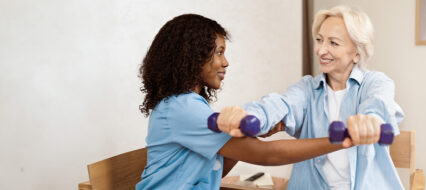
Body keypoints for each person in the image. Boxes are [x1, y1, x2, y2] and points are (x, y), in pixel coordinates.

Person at [135, 13, 379, 190]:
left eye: (333, 43)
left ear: (356, 54)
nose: (225, 62)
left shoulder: (185, 105)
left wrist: (251, 132)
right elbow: (268, 156)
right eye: (219, 52)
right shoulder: (183, 108)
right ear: (192, 56)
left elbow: (218, 162)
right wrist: (341, 139)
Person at [216, 6, 405, 190]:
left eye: (333, 43)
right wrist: (247, 115)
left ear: (356, 53)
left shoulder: (375, 83)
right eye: (319, 40)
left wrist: (369, 121)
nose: (321, 50)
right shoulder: (307, 89)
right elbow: (280, 105)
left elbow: (378, 105)